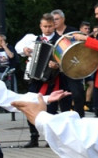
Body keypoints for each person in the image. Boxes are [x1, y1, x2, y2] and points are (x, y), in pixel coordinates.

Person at [15, 13, 71, 148]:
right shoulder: (34, 39)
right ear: (40, 26)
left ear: (54, 26)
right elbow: (18, 48)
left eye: (50, 26)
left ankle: (50, 138)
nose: (47, 29)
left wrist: (57, 65)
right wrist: (25, 50)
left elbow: (69, 60)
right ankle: (33, 136)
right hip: (35, 78)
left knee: (51, 108)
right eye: (45, 26)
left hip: (53, 79)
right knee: (31, 103)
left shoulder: (61, 41)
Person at [51, 9, 87, 118]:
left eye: (57, 19)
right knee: (63, 97)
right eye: (53, 20)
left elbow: (81, 49)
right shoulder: (51, 35)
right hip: (59, 73)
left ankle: (80, 118)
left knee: (77, 94)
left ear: (63, 19)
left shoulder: (72, 32)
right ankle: (66, 119)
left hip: (73, 70)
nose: (54, 22)